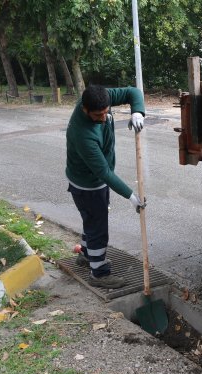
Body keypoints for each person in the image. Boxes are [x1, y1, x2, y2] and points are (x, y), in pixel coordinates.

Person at [66, 85, 146, 289]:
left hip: (92, 181)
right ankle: (99, 273)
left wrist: (137, 111)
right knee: (98, 228)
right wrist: (131, 196)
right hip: (88, 186)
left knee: (91, 221)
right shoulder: (83, 135)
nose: (103, 118)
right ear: (85, 109)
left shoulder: (99, 98)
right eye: (97, 115)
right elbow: (104, 173)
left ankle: (85, 255)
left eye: (106, 112)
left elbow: (133, 92)